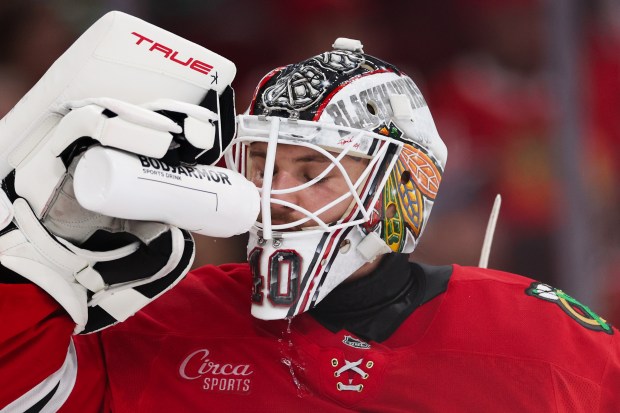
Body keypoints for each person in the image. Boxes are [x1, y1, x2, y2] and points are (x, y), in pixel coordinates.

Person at [1, 37, 619, 413]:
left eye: (312, 169)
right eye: (262, 163)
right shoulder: (165, 319)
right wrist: (34, 269)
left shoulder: (546, 344)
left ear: (396, 189)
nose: (275, 193)